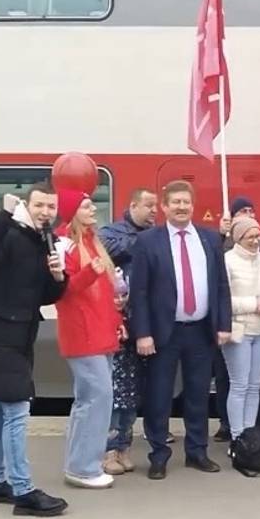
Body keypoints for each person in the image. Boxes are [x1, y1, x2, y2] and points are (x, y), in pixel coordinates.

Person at [0, 183, 69, 517]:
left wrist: (58, 277)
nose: (45, 212)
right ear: (27, 204)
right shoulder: (10, 232)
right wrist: (2, 215)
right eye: (39, 205)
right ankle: (23, 490)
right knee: (16, 409)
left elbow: (43, 294)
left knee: (0, 409)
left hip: (18, 335)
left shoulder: (42, 239)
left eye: (51, 207)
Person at [129, 180, 232, 479]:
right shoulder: (149, 241)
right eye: (175, 202)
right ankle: (159, 455)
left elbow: (221, 286)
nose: (182, 207)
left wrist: (223, 324)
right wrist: (143, 333)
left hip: (201, 330)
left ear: (193, 205)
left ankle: (197, 452)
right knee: (159, 396)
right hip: (163, 332)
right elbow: (140, 292)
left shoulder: (210, 239)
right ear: (163, 207)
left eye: (186, 202)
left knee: (198, 394)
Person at [53, 189, 122, 489]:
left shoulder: (92, 242)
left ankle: (79, 464)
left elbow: (105, 296)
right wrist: (90, 274)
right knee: (99, 397)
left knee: (89, 400)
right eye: (85, 205)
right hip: (83, 335)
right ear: (72, 212)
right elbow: (62, 291)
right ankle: (84, 467)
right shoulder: (65, 245)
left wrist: (118, 322)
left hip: (99, 332)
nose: (92, 208)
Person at [98, 187, 160, 475]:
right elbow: (113, 251)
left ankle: (124, 446)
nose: (153, 211)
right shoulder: (111, 233)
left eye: (155, 207)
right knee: (116, 390)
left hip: (142, 323)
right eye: (148, 205)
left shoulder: (152, 235)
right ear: (132, 204)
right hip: (118, 324)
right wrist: (148, 240)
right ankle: (108, 449)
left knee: (133, 392)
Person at [222, 217, 260, 441]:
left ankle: (250, 435)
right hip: (238, 332)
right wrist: (254, 304)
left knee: (255, 386)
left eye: (257, 235)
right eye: (250, 237)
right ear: (238, 238)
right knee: (239, 385)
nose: (255, 240)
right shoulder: (227, 261)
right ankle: (236, 437)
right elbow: (223, 299)